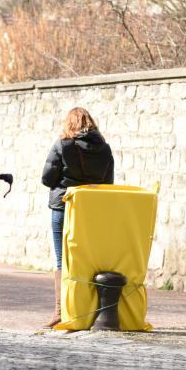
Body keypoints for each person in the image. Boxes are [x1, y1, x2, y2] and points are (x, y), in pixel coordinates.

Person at [40, 108, 115, 328]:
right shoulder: (104, 149)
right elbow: (108, 183)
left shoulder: (62, 145)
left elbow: (46, 178)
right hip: (91, 210)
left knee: (63, 259)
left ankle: (60, 312)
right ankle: (87, 311)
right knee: (87, 259)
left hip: (63, 206)